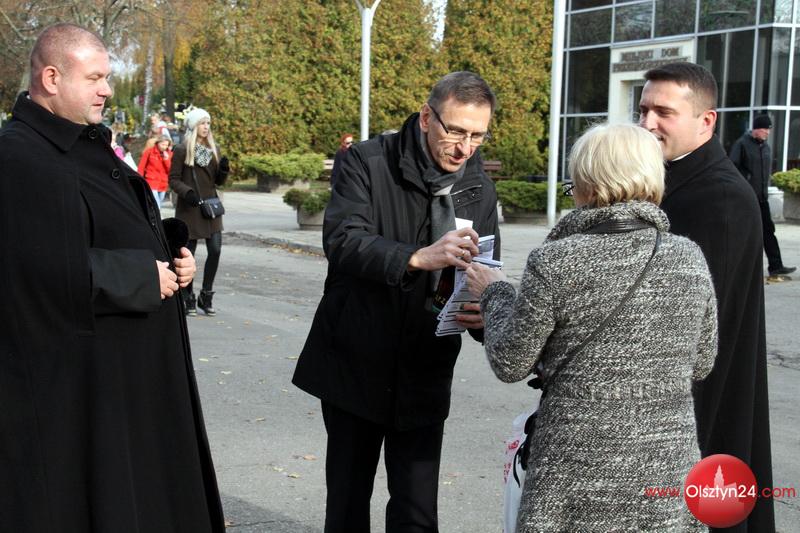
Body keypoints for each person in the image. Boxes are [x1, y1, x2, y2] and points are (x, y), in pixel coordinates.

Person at [0, 23, 224, 532]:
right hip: (81, 397)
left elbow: (102, 226)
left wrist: (173, 252)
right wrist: (139, 275)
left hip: (131, 385)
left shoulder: (83, 145)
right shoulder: (18, 157)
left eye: (107, 78)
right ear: (51, 78)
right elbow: (25, 265)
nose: (106, 89)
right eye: (94, 78)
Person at [465, 123, 717, 531]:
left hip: (574, 468)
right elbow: (702, 362)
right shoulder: (689, 257)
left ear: (586, 184)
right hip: (667, 465)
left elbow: (510, 362)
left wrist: (494, 293)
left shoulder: (555, 261)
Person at [293, 71, 500, 532]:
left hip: (426, 366)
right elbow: (343, 240)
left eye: (477, 136)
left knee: (417, 511)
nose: (465, 148)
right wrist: (417, 257)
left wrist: (481, 311)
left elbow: (486, 266)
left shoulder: (478, 186)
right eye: (456, 131)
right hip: (356, 360)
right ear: (427, 117)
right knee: (347, 505)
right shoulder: (367, 162)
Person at [638, 62, 775, 532]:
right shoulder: (676, 180)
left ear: (706, 121)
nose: (648, 123)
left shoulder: (718, 197)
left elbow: (687, 331)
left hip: (698, 411)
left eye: (663, 112)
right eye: (643, 110)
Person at [169, 107, 229, 317]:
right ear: (194, 126)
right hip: (191, 208)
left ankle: (206, 294)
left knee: (215, 250)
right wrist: (188, 193)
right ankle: (188, 297)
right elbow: (173, 179)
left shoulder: (213, 148)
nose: (206, 127)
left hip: (210, 207)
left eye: (208, 123)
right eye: (202, 123)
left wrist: (223, 170)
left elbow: (217, 182)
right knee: (188, 255)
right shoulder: (182, 149)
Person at [729, 114, 796, 276]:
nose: (768, 132)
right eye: (765, 129)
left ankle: (776, 266)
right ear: (756, 129)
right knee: (745, 233)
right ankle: (737, 269)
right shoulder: (742, 144)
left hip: (762, 198)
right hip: (746, 199)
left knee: (768, 232)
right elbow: (732, 168)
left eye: (769, 129)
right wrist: (743, 186)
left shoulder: (766, 147)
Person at [138, 133, 173, 208]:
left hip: (163, 182)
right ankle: (157, 214)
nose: (164, 147)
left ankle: (153, 214)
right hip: (151, 181)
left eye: (166, 145)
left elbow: (170, 170)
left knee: (158, 203)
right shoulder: (149, 152)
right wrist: (139, 178)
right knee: (156, 204)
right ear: (158, 143)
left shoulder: (170, 154)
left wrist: (166, 160)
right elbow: (141, 166)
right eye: (163, 144)